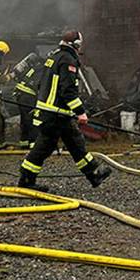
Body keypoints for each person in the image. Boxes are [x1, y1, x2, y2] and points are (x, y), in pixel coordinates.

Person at [18, 30, 111, 190]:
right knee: (45, 146)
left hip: (55, 113)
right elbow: (68, 90)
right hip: (55, 114)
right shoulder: (68, 60)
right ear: (76, 45)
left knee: (74, 143)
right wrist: (80, 112)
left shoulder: (54, 57)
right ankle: (26, 180)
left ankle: (93, 174)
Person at [12, 51, 44, 147]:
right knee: (33, 119)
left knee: (25, 118)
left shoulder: (34, 67)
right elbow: (40, 86)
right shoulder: (43, 69)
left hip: (20, 93)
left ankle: (24, 141)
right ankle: (33, 142)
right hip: (28, 95)